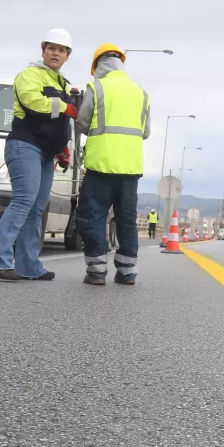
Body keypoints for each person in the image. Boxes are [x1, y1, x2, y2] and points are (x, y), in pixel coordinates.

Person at [0, 28, 77, 281]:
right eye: (51, 48)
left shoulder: (62, 82)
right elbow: (33, 103)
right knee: (24, 201)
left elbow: (59, 122)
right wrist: (66, 106)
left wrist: (63, 148)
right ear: (43, 49)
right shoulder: (29, 75)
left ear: (68, 55)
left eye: (61, 50)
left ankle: (28, 266)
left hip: (46, 151)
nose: (56, 53)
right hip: (25, 145)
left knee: (36, 208)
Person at [75, 43, 151, 286]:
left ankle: (97, 272)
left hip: (100, 166)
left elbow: (81, 123)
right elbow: (146, 132)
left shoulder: (97, 87)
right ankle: (127, 272)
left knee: (94, 217)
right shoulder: (141, 92)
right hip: (130, 169)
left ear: (97, 65)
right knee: (126, 220)